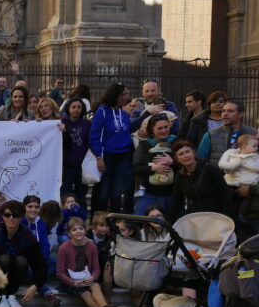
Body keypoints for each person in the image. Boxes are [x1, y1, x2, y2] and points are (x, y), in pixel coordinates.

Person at [0, 200, 47, 307]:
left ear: (21, 217)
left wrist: (35, 286)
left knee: (22, 260)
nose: (11, 218)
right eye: (7, 215)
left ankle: (10, 295)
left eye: (15, 215)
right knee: (4, 259)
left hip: (15, 274)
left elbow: (39, 263)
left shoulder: (26, 235)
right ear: (3, 216)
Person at [89, 82, 135, 214]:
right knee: (103, 192)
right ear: (117, 96)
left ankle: (113, 223)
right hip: (107, 156)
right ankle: (99, 221)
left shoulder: (123, 113)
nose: (128, 96)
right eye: (125, 94)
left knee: (117, 193)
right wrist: (99, 157)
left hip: (123, 156)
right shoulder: (102, 111)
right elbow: (94, 136)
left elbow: (127, 130)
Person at [56, 217, 115, 307]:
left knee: (96, 286)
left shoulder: (92, 246)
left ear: (85, 230)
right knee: (85, 293)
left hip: (87, 277)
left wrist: (92, 277)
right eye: (74, 230)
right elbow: (60, 273)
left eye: (80, 228)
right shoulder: (64, 248)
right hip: (71, 281)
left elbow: (96, 268)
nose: (78, 232)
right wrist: (73, 282)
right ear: (69, 233)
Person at [169, 139, 231, 220]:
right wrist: (169, 224)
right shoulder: (180, 175)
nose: (186, 156)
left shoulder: (209, 169)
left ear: (193, 152)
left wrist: (227, 218)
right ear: (177, 159)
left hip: (216, 216)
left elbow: (225, 193)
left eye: (188, 152)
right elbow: (176, 201)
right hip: (195, 217)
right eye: (181, 154)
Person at [219, 134, 259, 222]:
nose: (256, 148)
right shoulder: (234, 155)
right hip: (232, 183)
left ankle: (240, 215)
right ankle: (229, 216)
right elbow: (255, 167)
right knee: (231, 201)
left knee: (246, 200)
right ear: (244, 146)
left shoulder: (256, 156)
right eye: (254, 146)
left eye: (257, 146)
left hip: (246, 183)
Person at [132, 113, 176, 215]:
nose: (164, 131)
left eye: (166, 127)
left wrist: (172, 162)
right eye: (159, 128)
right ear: (152, 129)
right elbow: (135, 168)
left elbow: (185, 164)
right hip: (148, 193)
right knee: (141, 221)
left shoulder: (176, 142)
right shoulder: (144, 145)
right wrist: (153, 168)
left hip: (171, 193)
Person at [197, 101, 257, 166]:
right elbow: (200, 160)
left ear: (240, 114)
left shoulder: (253, 133)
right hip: (217, 175)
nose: (225, 114)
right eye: (223, 111)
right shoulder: (211, 135)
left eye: (230, 111)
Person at [60, 98, 91, 207]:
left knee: (81, 195)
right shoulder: (62, 122)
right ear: (68, 108)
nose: (76, 109)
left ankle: (81, 220)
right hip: (66, 165)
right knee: (65, 194)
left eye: (79, 107)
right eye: (73, 107)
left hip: (82, 166)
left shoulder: (87, 124)